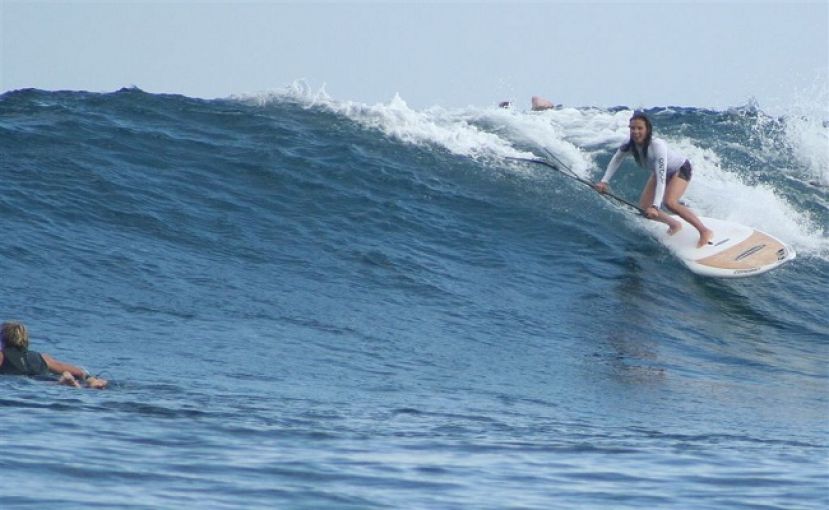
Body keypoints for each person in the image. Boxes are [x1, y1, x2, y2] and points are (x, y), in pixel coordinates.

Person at [595, 112, 713, 248]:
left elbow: (661, 178)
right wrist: (604, 181)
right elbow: (616, 160)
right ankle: (674, 224)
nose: (635, 132)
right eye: (632, 128)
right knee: (644, 208)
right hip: (660, 173)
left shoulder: (657, 146)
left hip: (680, 168)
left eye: (640, 128)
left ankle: (704, 231)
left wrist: (655, 207)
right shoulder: (629, 144)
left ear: (647, 130)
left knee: (670, 203)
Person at [0, 321, 108, 389]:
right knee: (49, 381)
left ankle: (64, 382)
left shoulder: (2, 355)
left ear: (3, 338)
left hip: (25, 382)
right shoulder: (42, 357)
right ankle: (91, 382)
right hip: (43, 378)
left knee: (41, 383)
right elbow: (77, 372)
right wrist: (89, 377)